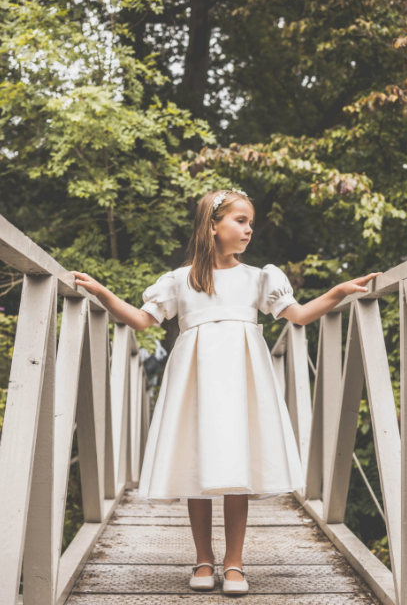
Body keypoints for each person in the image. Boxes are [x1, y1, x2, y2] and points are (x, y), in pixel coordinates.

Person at [73, 189, 381, 596]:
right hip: (194, 380)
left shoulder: (259, 278)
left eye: (250, 222)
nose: (249, 229)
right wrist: (101, 292)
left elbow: (301, 315)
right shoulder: (180, 280)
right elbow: (141, 321)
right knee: (195, 462)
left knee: (237, 467)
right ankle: (203, 558)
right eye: (240, 220)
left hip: (242, 381)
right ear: (212, 225)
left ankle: (234, 563)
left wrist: (338, 292)